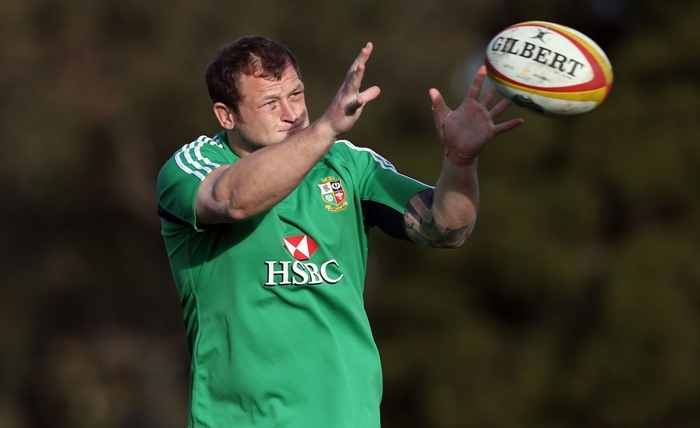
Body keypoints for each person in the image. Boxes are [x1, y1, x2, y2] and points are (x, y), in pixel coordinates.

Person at [156, 35, 523, 428]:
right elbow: (233, 200)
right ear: (226, 116)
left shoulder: (349, 165)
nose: (292, 112)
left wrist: (461, 161)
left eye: (296, 93)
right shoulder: (192, 165)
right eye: (269, 103)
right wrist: (328, 126)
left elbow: (446, 228)